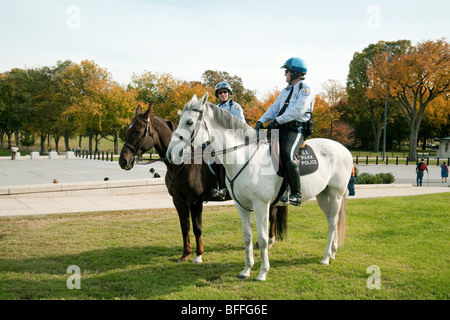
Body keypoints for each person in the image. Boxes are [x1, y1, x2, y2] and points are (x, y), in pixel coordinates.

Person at [254, 57, 315, 206]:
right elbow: (274, 107)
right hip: (281, 127)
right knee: (258, 146)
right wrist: (261, 121)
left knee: (287, 154)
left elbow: (298, 110)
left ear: (294, 73)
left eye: (286, 71)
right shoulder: (286, 90)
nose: (285, 74)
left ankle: (296, 194)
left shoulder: (305, 89)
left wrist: (277, 121)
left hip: (296, 129)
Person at [210, 82, 246, 200]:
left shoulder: (235, 107)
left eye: (225, 92)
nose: (223, 94)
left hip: (234, 141)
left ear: (229, 93)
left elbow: (241, 125)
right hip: (219, 141)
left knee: (221, 158)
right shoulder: (215, 109)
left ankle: (223, 188)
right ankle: (214, 186)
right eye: (220, 93)